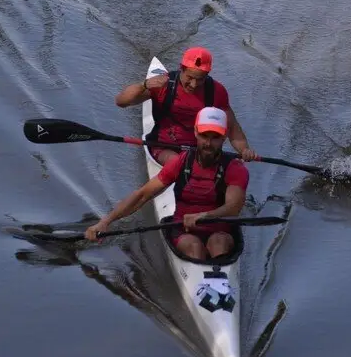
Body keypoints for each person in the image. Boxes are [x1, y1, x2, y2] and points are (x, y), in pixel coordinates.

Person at [85, 107, 249, 261]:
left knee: (218, 242)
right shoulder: (181, 163)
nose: (208, 143)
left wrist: (204, 216)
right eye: (204, 136)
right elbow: (142, 195)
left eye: (215, 138)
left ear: (225, 136)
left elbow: (233, 208)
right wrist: (105, 222)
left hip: (220, 231)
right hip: (184, 231)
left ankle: (218, 280)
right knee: (194, 247)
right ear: (195, 132)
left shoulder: (234, 168)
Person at [114, 46, 257, 165]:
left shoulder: (217, 92)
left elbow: (232, 128)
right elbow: (121, 102)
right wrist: (144, 85)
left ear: (207, 74)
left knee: (233, 170)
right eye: (190, 78)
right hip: (164, 147)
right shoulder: (163, 85)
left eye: (200, 79)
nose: (194, 85)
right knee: (181, 163)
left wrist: (244, 150)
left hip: (201, 149)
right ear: (181, 68)